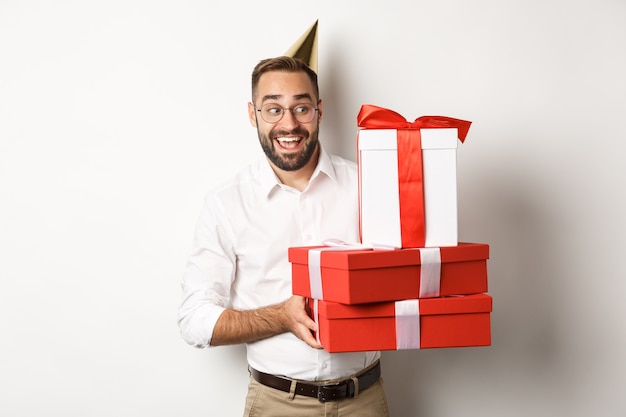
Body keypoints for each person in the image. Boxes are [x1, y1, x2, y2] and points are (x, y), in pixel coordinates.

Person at [178, 56, 390, 417]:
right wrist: (280, 317)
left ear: (319, 110)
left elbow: (405, 275)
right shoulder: (226, 203)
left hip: (365, 400)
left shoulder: (369, 185)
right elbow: (194, 321)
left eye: (301, 108)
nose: (289, 123)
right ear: (252, 114)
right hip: (278, 404)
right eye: (273, 109)